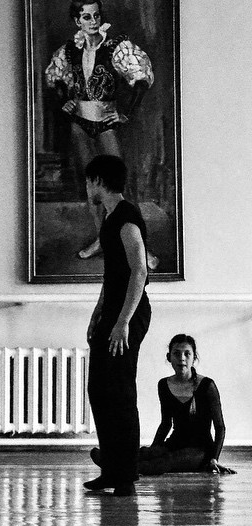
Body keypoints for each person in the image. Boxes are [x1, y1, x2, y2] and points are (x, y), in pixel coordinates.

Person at [45, 1, 157, 268]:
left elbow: (142, 79)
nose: (93, 21)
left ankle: (140, 247)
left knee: (121, 187)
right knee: (92, 187)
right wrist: (65, 100)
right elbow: (56, 78)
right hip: (79, 125)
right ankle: (103, 239)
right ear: (78, 21)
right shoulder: (69, 50)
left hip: (106, 124)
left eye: (96, 15)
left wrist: (125, 112)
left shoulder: (116, 47)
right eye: (87, 16)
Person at [83, 154, 150, 496]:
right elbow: (114, 274)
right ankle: (112, 467)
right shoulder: (111, 217)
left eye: (88, 181)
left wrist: (123, 321)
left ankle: (125, 475)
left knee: (120, 392)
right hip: (113, 310)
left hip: (129, 312)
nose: (87, 187)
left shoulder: (126, 218)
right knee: (99, 389)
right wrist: (98, 311)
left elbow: (140, 271)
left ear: (98, 181)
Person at [116, 334, 234, 475]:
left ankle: (115, 468)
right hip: (175, 443)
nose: (182, 358)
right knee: (145, 453)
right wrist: (152, 451)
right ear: (169, 357)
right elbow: (166, 424)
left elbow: (220, 427)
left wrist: (214, 458)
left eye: (187, 354)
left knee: (164, 462)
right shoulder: (163, 384)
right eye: (177, 354)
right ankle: (110, 460)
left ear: (194, 358)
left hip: (200, 450)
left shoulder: (207, 385)